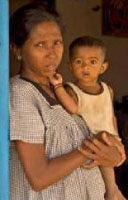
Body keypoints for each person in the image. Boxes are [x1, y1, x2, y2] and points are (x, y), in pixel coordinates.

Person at [10, 3, 126, 200]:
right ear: (17, 49)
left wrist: (115, 156)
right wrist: (93, 148)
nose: (52, 53)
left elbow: (104, 143)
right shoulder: (21, 93)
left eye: (57, 42)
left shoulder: (65, 90)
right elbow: (39, 177)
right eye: (40, 45)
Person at [49, 36, 126, 200]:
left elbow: (110, 115)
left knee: (110, 163)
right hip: (89, 139)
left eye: (92, 62)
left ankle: (113, 190)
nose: (85, 66)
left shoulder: (107, 89)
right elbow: (72, 107)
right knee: (103, 167)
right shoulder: (72, 90)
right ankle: (112, 191)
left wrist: (117, 137)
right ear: (70, 67)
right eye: (78, 62)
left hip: (108, 136)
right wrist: (58, 87)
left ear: (102, 67)